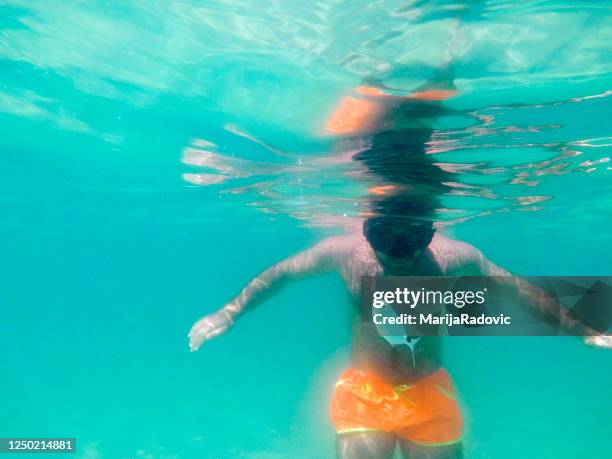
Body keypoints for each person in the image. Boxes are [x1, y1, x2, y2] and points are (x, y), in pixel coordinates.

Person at [188, 216, 610, 459]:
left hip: (429, 394)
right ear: (369, 231)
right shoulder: (345, 252)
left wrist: (583, 331)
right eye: (384, 242)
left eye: (411, 244)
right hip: (364, 396)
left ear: (428, 233)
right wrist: (230, 311)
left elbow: (515, 287)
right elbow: (281, 273)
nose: (398, 254)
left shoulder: (455, 257)